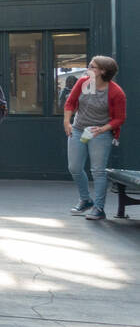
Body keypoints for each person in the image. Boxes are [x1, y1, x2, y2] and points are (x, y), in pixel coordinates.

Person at [63, 55, 127, 220]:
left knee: (98, 171)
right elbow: (70, 103)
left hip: (100, 132)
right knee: (75, 167)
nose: (88, 69)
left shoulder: (115, 92)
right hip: (78, 130)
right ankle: (86, 200)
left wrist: (103, 129)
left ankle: (99, 208)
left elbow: (120, 118)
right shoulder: (84, 83)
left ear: (102, 71)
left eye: (92, 66)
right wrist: (67, 122)